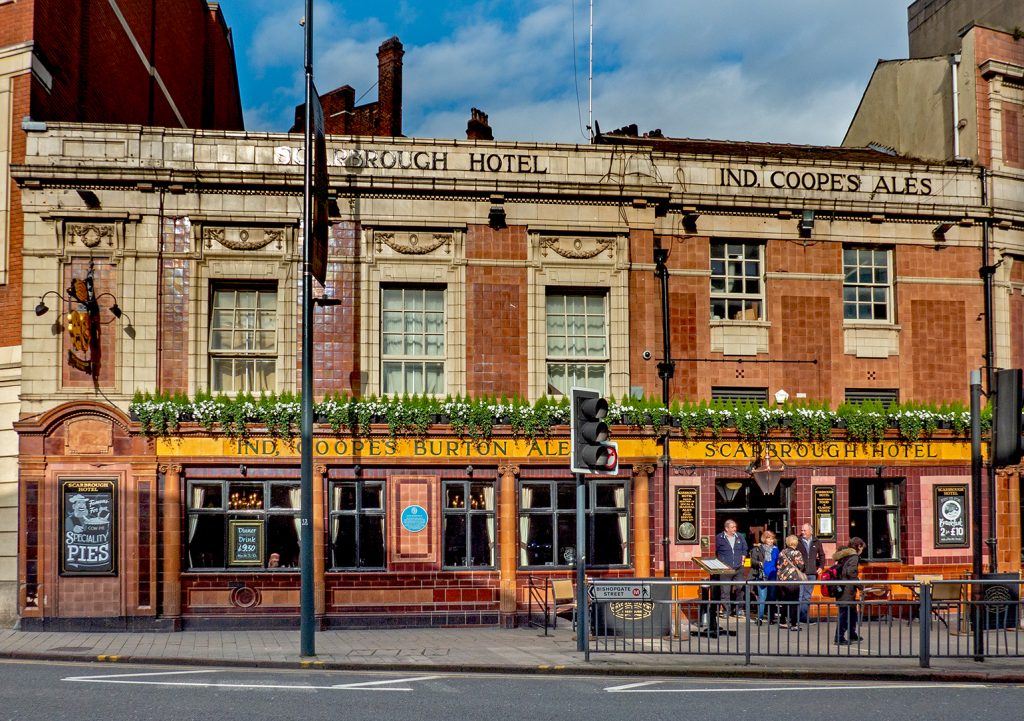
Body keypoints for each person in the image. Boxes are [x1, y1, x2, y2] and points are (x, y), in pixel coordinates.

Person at [834, 537, 866, 645]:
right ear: (859, 546)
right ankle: (839, 637)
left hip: (842, 587)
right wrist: (860, 585)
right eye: (862, 547)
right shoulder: (854, 557)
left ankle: (852, 634)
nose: (862, 550)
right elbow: (851, 573)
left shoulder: (845, 555)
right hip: (847, 589)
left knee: (852, 613)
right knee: (844, 614)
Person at [714, 518, 748, 617]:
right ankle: (726, 610)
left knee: (740, 589)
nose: (735, 529)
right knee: (725, 591)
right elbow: (714, 551)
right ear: (726, 528)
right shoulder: (719, 537)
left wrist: (743, 558)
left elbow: (744, 548)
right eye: (732, 527)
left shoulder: (740, 536)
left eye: (735, 527)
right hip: (725, 569)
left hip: (738, 568)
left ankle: (739, 609)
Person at [796, 522, 827, 623]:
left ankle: (804, 617)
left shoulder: (816, 541)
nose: (803, 532)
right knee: (800, 595)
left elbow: (822, 555)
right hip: (801, 573)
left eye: (805, 530)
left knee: (807, 596)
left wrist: (821, 567)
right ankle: (796, 618)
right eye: (802, 530)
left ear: (810, 531)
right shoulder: (798, 541)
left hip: (812, 573)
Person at [776, 534, 806, 630]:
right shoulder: (796, 553)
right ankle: (794, 623)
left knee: (785, 600)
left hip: (783, 579)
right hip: (793, 579)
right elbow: (801, 566)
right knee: (794, 601)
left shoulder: (782, 553)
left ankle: (783, 621)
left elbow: (779, 565)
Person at [749, 530, 778, 625]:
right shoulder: (758, 549)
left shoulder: (776, 549)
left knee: (772, 597)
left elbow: (778, 562)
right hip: (762, 576)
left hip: (773, 576)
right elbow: (752, 561)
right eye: (768, 538)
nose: (770, 540)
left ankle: (771, 617)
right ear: (764, 539)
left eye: (772, 538)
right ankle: (760, 617)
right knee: (762, 597)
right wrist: (759, 563)